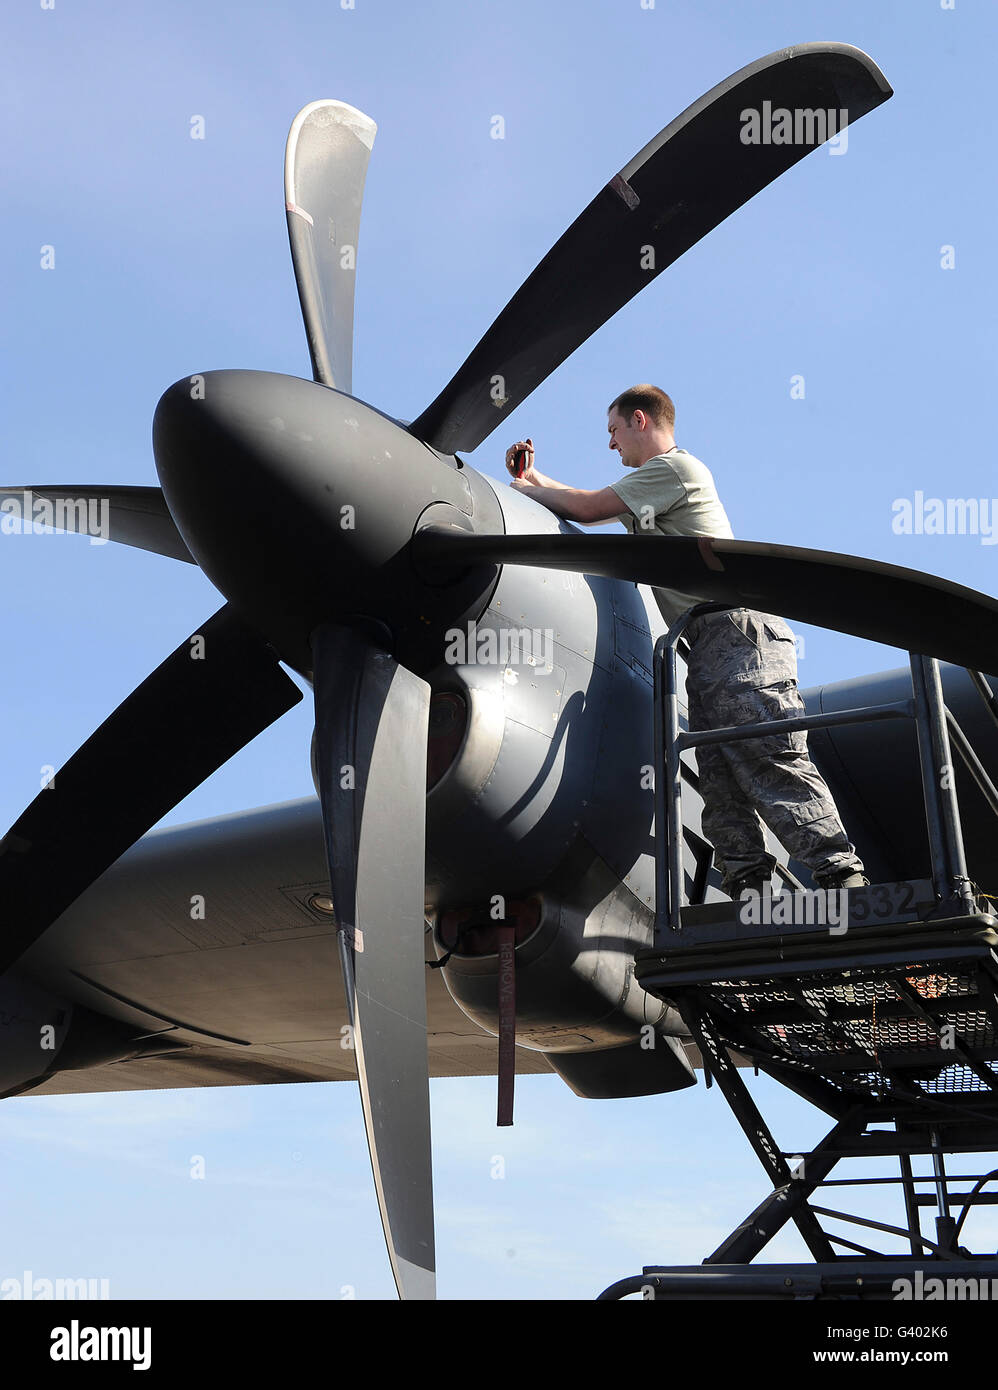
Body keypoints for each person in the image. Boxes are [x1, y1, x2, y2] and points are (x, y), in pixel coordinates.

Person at [505, 383, 867, 899]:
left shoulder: (674, 469)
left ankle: (839, 875)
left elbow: (588, 508)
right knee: (718, 772)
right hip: (707, 642)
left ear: (640, 420)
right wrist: (534, 480)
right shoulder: (652, 491)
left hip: (736, 633)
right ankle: (750, 888)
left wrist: (524, 492)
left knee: (765, 751)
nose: (611, 445)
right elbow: (591, 503)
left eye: (613, 431)